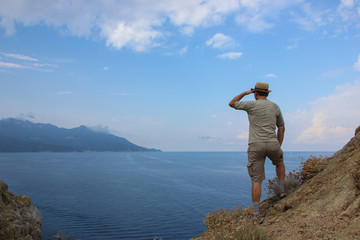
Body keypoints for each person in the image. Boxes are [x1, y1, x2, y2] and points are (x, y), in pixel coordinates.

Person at [228, 82, 286, 224]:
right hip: (273, 143)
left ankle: (256, 214)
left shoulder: (251, 105)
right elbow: (282, 127)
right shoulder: (275, 106)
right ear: (267, 93)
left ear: (255, 93)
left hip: (255, 145)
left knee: (256, 181)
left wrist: (244, 93)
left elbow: (232, 103)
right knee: (279, 163)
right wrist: (278, 144)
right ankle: (282, 191)